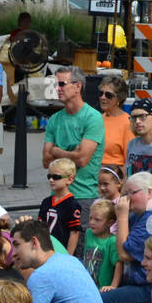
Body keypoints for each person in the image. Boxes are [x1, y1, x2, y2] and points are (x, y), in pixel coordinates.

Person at [10, 219, 110, 303]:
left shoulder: (42, 275)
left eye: (17, 245)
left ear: (34, 243)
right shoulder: (70, 260)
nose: (13, 253)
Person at [43, 65, 104, 224]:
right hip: (56, 196)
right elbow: (45, 161)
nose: (57, 88)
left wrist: (56, 151)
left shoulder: (93, 117)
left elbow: (82, 159)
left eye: (62, 84)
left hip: (83, 196)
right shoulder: (54, 119)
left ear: (77, 87)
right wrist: (72, 152)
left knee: (79, 246)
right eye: (55, 84)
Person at [101, 172, 152, 303]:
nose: (126, 198)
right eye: (125, 194)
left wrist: (121, 216)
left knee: (98, 301)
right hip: (133, 283)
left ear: (150, 193)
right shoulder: (137, 215)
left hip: (147, 288)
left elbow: (124, 254)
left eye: (132, 193)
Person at [41, 157, 83, 254]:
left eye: (56, 177)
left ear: (70, 179)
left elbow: (74, 233)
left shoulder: (72, 205)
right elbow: (41, 228)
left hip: (62, 250)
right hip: (46, 250)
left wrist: (68, 256)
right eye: (49, 176)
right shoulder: (46, 202)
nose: (51, 180)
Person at [82, 199, 121, 290]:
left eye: (97, 220)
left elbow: (118, 264)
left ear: (110, 223)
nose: (92, 222)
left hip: (101, 288)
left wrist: (113, 285)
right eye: (90, 218)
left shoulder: (112, 241)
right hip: (86, 284)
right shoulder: (89, 233)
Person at [97, 75, 133, 174]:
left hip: (114, 178)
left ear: (119, 98)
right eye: (101, 93)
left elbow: (130, 161)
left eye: (108, 95)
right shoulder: (97, 119)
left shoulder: (127, 123)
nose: (103, 97)